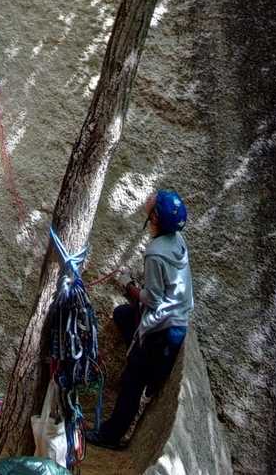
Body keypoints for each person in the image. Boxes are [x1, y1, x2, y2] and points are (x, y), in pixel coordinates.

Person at [87, 189, 193, 450]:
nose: (151, 198)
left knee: (132, 380)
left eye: (154, 201)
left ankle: (111, 436)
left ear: (155, 217)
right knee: (123, 314)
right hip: (176, 316)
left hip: (164, 329)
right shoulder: (176, 239)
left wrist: (127, 285)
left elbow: (153, 300)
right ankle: (142, 360)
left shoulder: (155, 252)